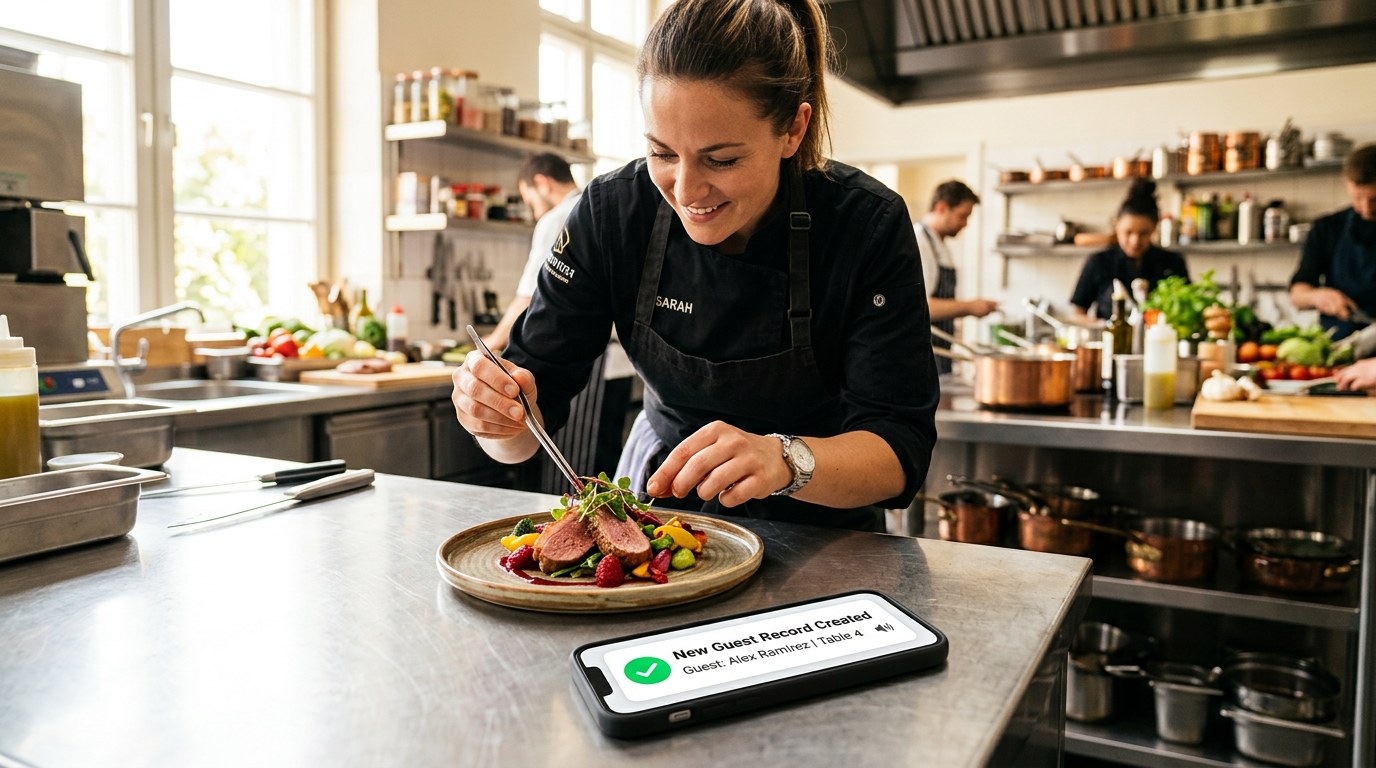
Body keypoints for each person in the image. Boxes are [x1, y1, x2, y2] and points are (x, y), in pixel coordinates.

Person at [452, 0, 938, 532]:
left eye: (721, 159)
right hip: (660, 515)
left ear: (793, 131)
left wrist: (784, 459)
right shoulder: (612, 213)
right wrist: (494, 418)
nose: (686, 192)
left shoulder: (864, 225)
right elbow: (523, 428)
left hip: (825, 523)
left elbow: (898, 452)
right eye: (662, 153)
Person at [483, 153, 583, 351]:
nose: (536, 214)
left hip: (585, 355)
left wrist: (492, 342)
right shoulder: (596, 207)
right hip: (622, 357)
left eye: (531, 202)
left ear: (542, 182)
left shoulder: (558, 218)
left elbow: (530, 295)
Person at [1291, 143, 1376, 342]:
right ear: (1347, 183)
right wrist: (1318, 296)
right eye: (1358, 198)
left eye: (1374, 199)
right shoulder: (1327, 227)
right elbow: (1297, 294)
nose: (1366, 208)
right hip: (1338, 349)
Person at [1070, 179, 1188, 321]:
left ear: (1154, 229)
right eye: (1128, 232)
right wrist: (1101, 326)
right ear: (1117, 225)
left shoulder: (1173, 262)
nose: (1135, 241)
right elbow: (1077, 313)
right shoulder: (1098, 262)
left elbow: (1186, 310)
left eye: (1143, 233)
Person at [914, 180, 998, 373]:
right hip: (923, 356)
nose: (965, 224)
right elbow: (920, 307)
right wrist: (970, 307)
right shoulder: (919, 242)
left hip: (940, 354)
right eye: (963, 216)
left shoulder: (939, 245)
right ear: (942, 207)